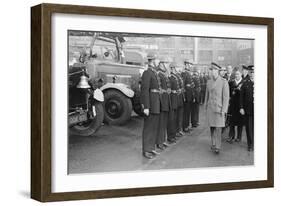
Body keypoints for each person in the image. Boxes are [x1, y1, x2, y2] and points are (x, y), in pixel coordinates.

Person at [205, 62, 230, 154]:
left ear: (218, 71)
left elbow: (226, 97)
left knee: (219, 129)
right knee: (212, 127)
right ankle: (213, 143)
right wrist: (205, 106)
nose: (213, 72)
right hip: (211, 108)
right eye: (211, 70)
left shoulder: (224, 82)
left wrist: (224, 110)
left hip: (219, 109)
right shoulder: (209, 81)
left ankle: (218, 146)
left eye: (215, 70)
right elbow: (206, 95)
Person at [140, 53, 161, 159]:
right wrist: (146, 106)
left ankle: (151, 148)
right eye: (157, 60)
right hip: (151, 104)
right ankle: (146, 150)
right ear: (152, 61)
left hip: (156, 103)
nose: (159, 62)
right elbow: (144, 91)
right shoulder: (147, 73)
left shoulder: (154, 72)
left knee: (153, 127)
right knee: (148, 128)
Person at [156, 57, 171, 150]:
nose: (167, 65)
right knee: (160, 123)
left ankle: (162, 140)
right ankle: (159, 142)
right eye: (166, 63)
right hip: (162, 101)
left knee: (164, 123)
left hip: (166, 101)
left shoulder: (164, 74)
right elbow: (158, 89)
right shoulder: (158, 74)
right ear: (162, 64)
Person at [239, 65, 254, 151]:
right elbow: (241, 97)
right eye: (251, 72)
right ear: (248, 72)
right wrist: (241, 107)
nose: (252, 74)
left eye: (254, 72)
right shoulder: (245, 83)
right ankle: (250, 144)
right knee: (249, 128)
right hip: (248, 110)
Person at [227, 70, 243, 143]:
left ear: (241, 75)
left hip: (240, 105)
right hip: (233, 105)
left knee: (240, 122)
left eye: (238, 74)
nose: (236, 75)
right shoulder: (231, 83)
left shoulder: (243, 83)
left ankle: (239, 137)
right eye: (236, 74)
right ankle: (231, 136)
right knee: (232, 122)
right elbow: (228, 93)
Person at [167, 62, 179, 144]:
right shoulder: (170, 78)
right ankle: (170, 136)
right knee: (171, 119)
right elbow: (169, 90)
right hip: (171, 99)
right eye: (174, 68)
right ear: (172, 69)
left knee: (174, 119)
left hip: (175, 99)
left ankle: (173, 134)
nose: (175, 69)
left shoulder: (175, 77)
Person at [182, 60, 195, 133]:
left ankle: (187, 125)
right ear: (186, 64)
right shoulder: (184, 73)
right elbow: (183, 85)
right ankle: (184, 126)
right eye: (190, 64)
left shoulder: (189, 73)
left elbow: (191, 85)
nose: (190, 66)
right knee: (186, 113)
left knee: (188, 112)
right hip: (186, 95)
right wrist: (184, 96)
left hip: (190, 95)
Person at [175, 69, 185, 137]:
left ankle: (179, 130)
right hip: (176, 99)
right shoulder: (173, 77)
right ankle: (176, 131)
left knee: (180, 116)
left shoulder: (179, 76)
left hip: (181, 98)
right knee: (176, 117)